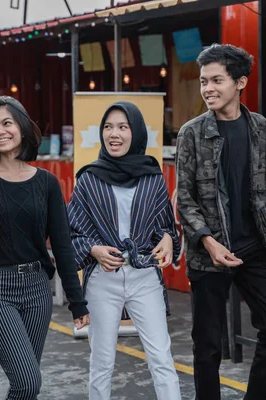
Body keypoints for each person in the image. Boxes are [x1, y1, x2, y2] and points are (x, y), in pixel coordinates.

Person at [175, 43, 266, 400]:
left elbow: (264, 181)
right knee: (208, 347)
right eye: (203, 81)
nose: (208, 88)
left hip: (253, 247)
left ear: (240, 82)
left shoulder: (261, 128)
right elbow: (185, 198)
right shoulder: (191, 133)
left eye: (216, 80)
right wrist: (208, 241)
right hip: (209, 252)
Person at [0, 95, 90, 399]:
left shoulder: (47, 183)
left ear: (22, 128)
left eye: (7, 123)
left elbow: (62, 245)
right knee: (28, 382)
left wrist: (76, 301)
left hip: (37, 289)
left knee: (26, 384)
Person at [68, 101, 182, 400]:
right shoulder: (88, 179)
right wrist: (93, 250)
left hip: (144, 276)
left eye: (122, 127)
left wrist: (168, 239)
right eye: (108, 127)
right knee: (101, 362)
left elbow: (166, 226)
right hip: (102, 281)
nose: (113, 134)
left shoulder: (153, 177)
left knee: (161, 358)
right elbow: (70, 232)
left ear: (137, 132)